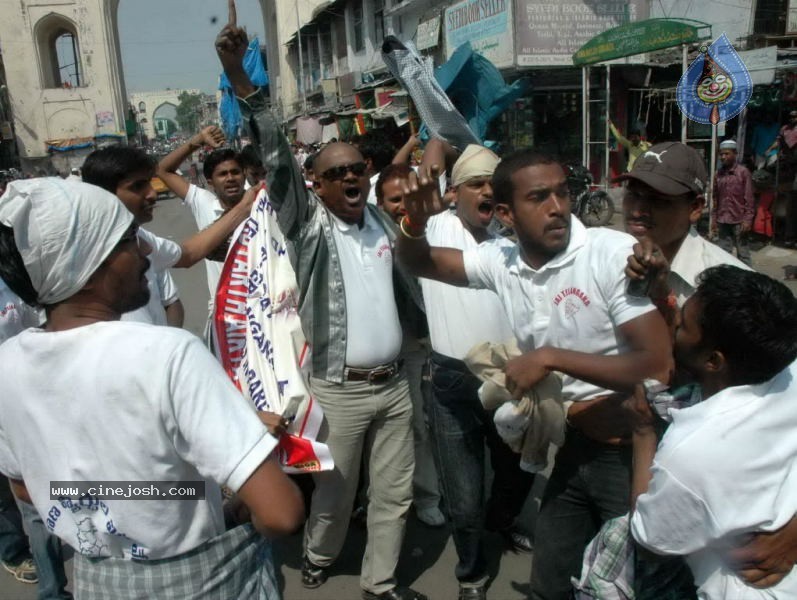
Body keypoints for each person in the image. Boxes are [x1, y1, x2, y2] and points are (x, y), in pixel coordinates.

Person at [0, 177, 304, 598]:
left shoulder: (7, 364)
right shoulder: (168, 354)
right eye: (128, 241)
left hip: (97, 584)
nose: (145, 252)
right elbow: (281, 513)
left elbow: (24, 487)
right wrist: (226, 503)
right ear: (89, 261)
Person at [396, 148, 672, 600]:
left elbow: (655, 364)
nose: (557, 207)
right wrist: (414, 223)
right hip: (570, 446)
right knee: (551, 582)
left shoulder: (609, 253)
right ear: (505, 213)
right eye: (539, 197)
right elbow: (420, 262)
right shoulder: (501, 261)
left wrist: (549, 357)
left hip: (627, 455)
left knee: (635, 584)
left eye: (563, 193)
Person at [216, 23, 426, 600]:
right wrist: (241, 80)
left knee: (395, 491)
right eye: (337, 173)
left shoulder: (384, 221)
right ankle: (318, 554)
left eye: (358, 169)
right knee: (336, 492)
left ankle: (379, 582)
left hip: (396, 386)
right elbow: (277, 158)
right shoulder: (308, 229)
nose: (352, 178)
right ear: (317, 185)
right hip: (339, 389)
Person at [630, 265, 797, 599]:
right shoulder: (787, 370)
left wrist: (644, 433)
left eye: (684, 325)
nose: (675, 319)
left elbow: (650, 541)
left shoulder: (691, 454)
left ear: (714, 361)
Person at [82, 146, 255, 327]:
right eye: (138, 186)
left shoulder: (142, 239)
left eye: (149, 183)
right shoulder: (82, 251)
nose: (152, 194)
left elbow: (187, 254)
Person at [375, 163, 444, 529]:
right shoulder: (374, 240)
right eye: (395, 200)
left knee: (440, 422)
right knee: (414, 425)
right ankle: (426, 495)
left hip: (442, 342)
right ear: (380, 204)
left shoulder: (437, 231)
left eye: (409, 198)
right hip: (402, 348)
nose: (403, 206)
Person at [620, 141, 749, 315]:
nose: (636, 211)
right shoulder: (610, 258)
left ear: (695, 208)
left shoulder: (734, 291)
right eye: (633, 195)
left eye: (658, 200)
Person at [156, 127, 247, 300]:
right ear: (210, 181)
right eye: (222, 174)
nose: (230, 178)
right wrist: (199, 140)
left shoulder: (258, 202)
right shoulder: (204, 203)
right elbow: (162, 170)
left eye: (235, 172)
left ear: (244, 175)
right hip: (223, 310)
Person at [711, 139, 754, 266]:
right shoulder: (718, 174)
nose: (723, 157)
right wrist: (714, 219)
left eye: (727, 153)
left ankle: (749, 281)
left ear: (735, 154)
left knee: (743, 254)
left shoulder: (743, 173)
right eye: (721, 154)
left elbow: (749, 199)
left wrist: (747, 220)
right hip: (723, 220)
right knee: (723, 254)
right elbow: (715, 198)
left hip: (739, 220)